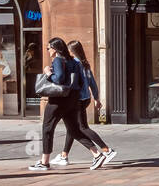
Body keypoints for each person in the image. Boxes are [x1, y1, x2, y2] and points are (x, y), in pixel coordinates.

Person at [28, 38, 104, 171]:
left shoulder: (58, 60)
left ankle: (44, 162)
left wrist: (48, 73)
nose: (47, 51)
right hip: (73, 100)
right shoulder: (73, 61)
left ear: (55, 48)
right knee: (74, 130)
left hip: (58, 100)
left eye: (48, 48)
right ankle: (97, 154)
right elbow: (80, 81)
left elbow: (59, 78)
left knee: (47, 128)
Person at [51, 41, 117, 168]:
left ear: (71, 51)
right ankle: (64, 155)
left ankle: (106, 150)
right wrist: (96, 98)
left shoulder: (74, 63)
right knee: (72, 127)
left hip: (78, 99)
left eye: (68, 50)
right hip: (85, 98)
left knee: (82, 128)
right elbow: (92, 82)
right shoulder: (85, 63)